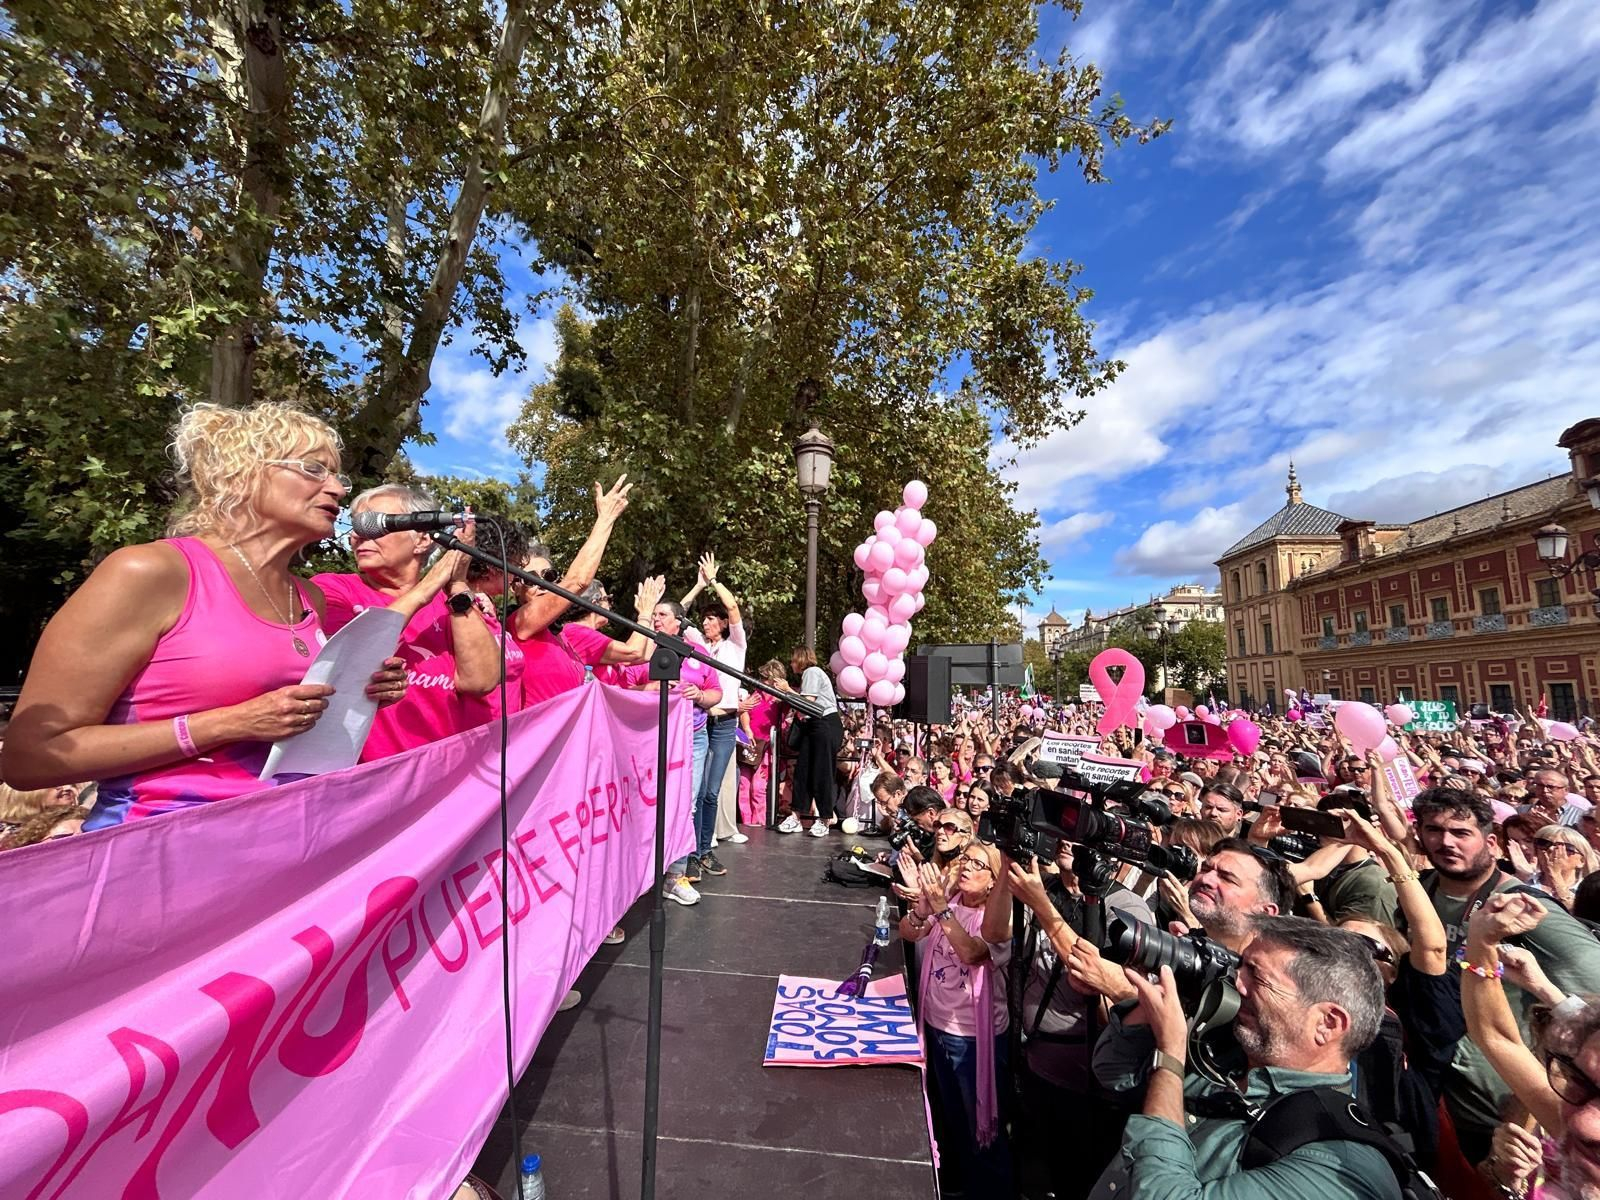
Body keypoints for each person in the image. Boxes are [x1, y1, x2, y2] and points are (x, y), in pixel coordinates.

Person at [4, 402, 407, 824]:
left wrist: (357, 692)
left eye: (337, 475)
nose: (338, 489)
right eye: (313, 469)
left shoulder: (308, 596)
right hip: (159, 848)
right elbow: (30, 758)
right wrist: (230, 723)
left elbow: (288, 727)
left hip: (286, 841)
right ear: (244, 472)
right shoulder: (150, 571)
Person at [1090, 917, 1399, 1200]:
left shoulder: (1336, 1163)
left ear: (1327, 1023)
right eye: (1240, 966)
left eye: (1257, 977)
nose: (1236, 982)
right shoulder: (1229, 1055)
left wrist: (1170, 1054)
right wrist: (1157, 1005)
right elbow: (1114, 1073)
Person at [1412, 786, 1600, 1165]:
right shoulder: (1421, 892)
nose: (1445, 841)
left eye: (1461, 832)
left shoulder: (1525, 909)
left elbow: (1593, 984)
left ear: (1491, 842)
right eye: (1433, 830)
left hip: (1511, 1105)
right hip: (1444, 1091)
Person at [313, 482, 503, 760]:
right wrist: (434, 581)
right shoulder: (332, 588)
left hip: (439, 773)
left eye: (376, 524)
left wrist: (458, 582)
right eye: (357, 525)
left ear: (423, 539)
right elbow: (345, 658)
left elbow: (481, 681)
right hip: (363, 781)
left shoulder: (448, 600)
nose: (357, 534)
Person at [1007, 844, 1154, 1200]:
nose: (1066, 842)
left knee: (1074, 1180)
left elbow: (1092, 978)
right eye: (1063, 832)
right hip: (1033, 1063)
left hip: (1084, 1083)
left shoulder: (1127, 908)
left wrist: (1042, 907)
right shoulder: (1044, 885)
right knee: (1035, 1174)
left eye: (1082, 836)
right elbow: (995, 935)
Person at [900, 837, 1014, 1199]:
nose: (966, 866)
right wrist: (921, 910)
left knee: (980, 1126)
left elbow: (971, 952)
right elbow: (909, 931)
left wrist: (940, 911)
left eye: (979, 865)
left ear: (995, 881)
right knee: (949, 1118)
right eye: (967, 859)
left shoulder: (1000, 922)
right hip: (935, 1025)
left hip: (973, 1039)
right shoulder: (948, 900)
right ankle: (957, 1184)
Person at [505, 478, 634, 707]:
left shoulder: (558, 634)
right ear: (515, 587)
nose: (543, 584)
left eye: (550, 576)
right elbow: (578, 581)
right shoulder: (519, 623)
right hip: (539, 738)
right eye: (531, 579)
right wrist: (605, 519)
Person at [647, 599, 722, 904]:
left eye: (662, 615)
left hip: (693, 738)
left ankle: (675, 875)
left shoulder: (698, 653)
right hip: (650, 737)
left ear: (678, 622)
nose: (655, 620)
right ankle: (643, 874)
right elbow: (624, 686)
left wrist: (700, 695)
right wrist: (656, 689)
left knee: (685, 805)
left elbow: (717, 693)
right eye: (653, 615)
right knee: (650, 805)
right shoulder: (642, 648)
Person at [678, 553, 749, 851]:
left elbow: (732, 606)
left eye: (710, 618)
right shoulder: (698, 645)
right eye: (703, 618)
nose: (705, 622)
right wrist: (697, 585)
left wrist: (715, 581)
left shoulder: (735, 645)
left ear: (722, 623)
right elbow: (674, 615)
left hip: (724, 725)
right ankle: (692, 848)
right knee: (693, 792)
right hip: (698, 722)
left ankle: (704, 847)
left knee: (710, 791)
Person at [774, 646, 843, 837]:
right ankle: (796, 815)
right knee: (803, 770)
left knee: (822, 771)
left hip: (824, 723)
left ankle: (824, 818)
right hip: (813, 725)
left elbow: (808, 703)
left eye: (793, 659)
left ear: (800, 659)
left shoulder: (812, 672)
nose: (791, 663)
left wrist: (787, 690)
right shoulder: (811, 675)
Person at [1531, 823, 1599, 910]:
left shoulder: (1590, 892)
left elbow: (1579, 918)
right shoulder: (1524, 880)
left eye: (1566, 848)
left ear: (1581, 861)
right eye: (1544, 843)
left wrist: (1556, 876)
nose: (1551, 849)